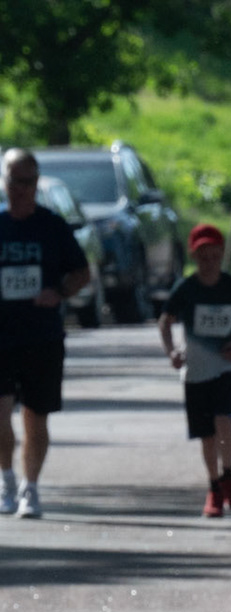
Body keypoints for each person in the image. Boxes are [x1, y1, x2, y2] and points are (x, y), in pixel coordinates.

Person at [0, 148, 91, 520]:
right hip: (1, 336)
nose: (21, 189)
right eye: (15, 181)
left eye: (28, 182)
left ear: (37, 184)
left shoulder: (52, 227)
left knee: (35, 417)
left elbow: (82, 273)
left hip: (42, 336)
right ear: (4, 182)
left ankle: (30, 488)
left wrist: (60, 293)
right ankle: (6, 480)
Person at [159, 223, 231, 518]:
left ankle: (228, 473)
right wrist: (172, 351)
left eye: (214, 256)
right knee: (207, 433)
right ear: (194, 256)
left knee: (223, 419)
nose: (209, 262)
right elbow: (165, 321)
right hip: (197, 371)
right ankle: (214, 486)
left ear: (222, 254)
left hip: (227, 366)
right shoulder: (187, 288)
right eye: (203, 256)